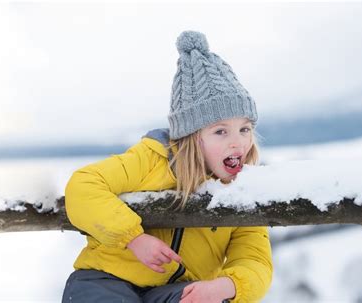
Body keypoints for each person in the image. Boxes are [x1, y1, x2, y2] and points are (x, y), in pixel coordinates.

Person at [62, 30, 273, 303]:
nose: (238, 143)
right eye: (221, 131)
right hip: (106, 280)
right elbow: (84, 185)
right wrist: (133, 238)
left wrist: (229, 285)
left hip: (177, 291)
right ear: (191, 136)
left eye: (244, 129)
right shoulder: (153, 158)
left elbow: (254, 259)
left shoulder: (244, 191)